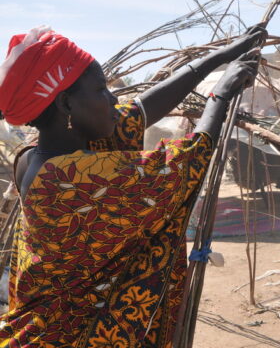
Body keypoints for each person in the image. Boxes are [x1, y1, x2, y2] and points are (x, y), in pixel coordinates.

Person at [0, 24, 265, 346]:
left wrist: (218, 58)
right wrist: (220, 95)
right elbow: (185, 165)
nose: (113, 99)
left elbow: (141, 109)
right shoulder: (71, 179)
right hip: (68, 338)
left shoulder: (38, 156)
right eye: (101, 90)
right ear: (67, 105)